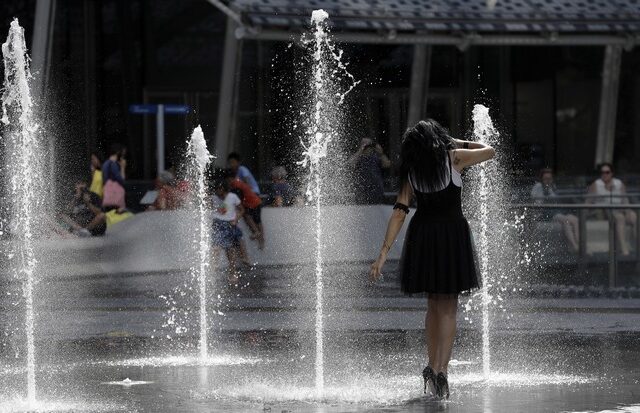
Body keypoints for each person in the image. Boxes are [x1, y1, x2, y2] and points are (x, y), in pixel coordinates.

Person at [369, 119, 495, 400]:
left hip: (424, 236)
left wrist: (382, 255)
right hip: (451, 234)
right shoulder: (455, 157)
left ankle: (430, 365)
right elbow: (490, 151)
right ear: (439, 140)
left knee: (433, 305)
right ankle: (442, 371)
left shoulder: (412, 171)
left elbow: (400, 212)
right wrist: (455, 142)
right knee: (449, 305)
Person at [587, 163, 637, 256]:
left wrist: (628, 211)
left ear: (612, 173)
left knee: (634, 216)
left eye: (607, 172)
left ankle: (637, 246)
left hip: (619, 208)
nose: (604, 174)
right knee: (619, 218)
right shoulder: (596, 184)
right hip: (604, 211)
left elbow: (625, 199)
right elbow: (588, 201)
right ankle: (624, 248)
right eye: (602, 172)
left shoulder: (619, 183)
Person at [531, 168, 580, 253]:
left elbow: (557, 199)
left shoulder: (553, 187)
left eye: (549, 179)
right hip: (546, 212)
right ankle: (574, 245)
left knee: (575, 219)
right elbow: (535, 200)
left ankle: (579, 243)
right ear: (542, 179)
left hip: (557, 210)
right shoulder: (538, 186)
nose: (548, 181)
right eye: (545, 179)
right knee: (566, 221)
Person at [211, 179, 245, 284]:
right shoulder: (214, 197)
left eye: (219, 190)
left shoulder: (232, 197)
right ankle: (211, 274)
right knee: (215, 248)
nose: (217, 192)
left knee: (229, 250)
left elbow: (242, 209)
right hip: (217, 223)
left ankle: (232, 273)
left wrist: (236, 219)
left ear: (223, 189)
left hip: (228, 224)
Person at [225, 169, 264, 250]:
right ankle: (260, 238)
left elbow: (237, 197)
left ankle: (259, 236)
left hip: (253, 202)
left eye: (228, 179)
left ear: (231, 178)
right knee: (253, 219)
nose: (228, 181)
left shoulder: (236, 184)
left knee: (255, 220)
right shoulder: (238, 182)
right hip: (253, 202)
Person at [348, 138, 391, 204]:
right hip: (361, 191)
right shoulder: (359, 157)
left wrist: (381, 153)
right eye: (364, 144)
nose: (367, 147)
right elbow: (350, 163)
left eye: (369, 145)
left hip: (376, 190)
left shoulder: (376, 157)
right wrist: (360, 151)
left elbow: (387, 164)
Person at [102, 143, 126, 210]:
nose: (123, 156)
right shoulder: (113, 164)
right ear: (118, 152)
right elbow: (121, 179)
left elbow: (104, 180)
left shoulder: (105, 163)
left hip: (107, 195)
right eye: (122, 154)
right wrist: (123, 167)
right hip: (115, 197)